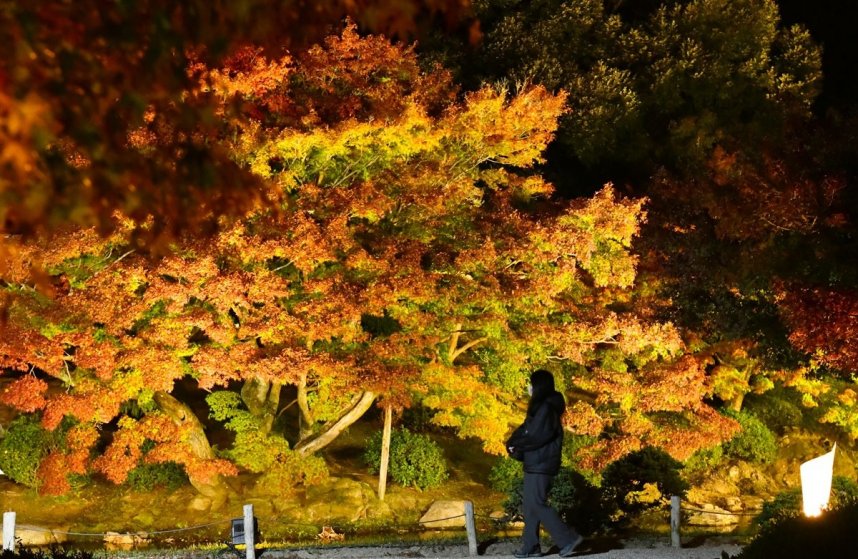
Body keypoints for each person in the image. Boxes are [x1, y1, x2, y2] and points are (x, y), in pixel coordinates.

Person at [506, 369, 583, 558]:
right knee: (530, 505)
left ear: (538, 386)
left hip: (541, 463)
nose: (528, 387)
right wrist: (513, 443)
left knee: (537, 503)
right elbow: (527, 430)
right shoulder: (542, 408)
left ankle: (568, 539)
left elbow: (535, 435)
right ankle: (531, 547)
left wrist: (517, 445)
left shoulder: (546, 409)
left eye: (531, 384)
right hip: (537, 462)